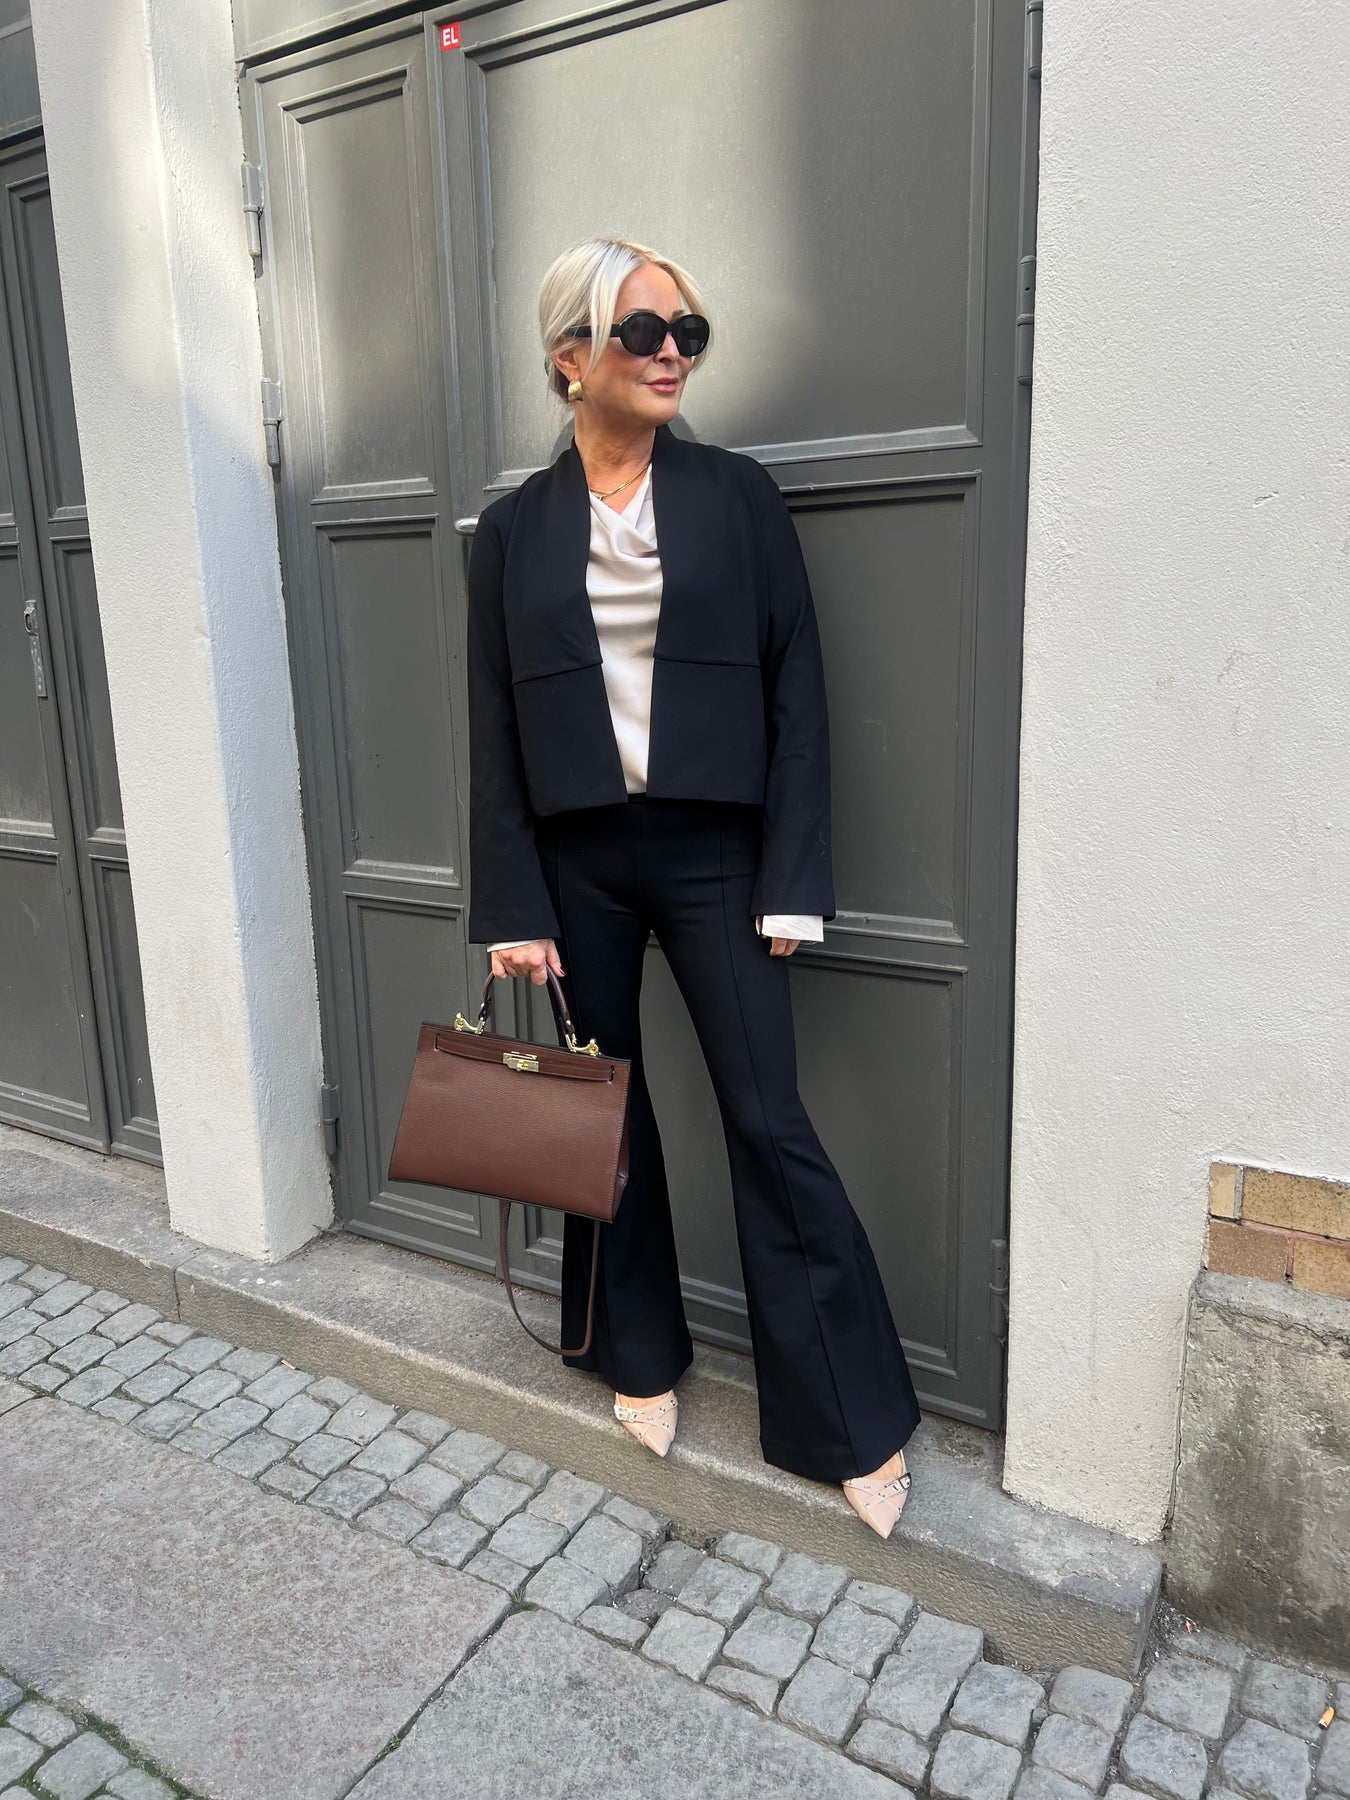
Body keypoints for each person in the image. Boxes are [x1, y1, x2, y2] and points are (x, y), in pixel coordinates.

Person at [465, 236, 920, 1538]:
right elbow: (491, 725)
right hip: (577, 864)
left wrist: (793, 878)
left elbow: (798, 690)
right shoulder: (511, 532)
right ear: (572, 358)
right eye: (642, 331)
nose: (672, 353)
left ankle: (846, 1417)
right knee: (600, 1117)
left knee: (768, 1121)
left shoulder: (736, 497)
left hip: (717, 855)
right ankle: (637, 1353)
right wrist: (513, 904)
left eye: (688, 332)